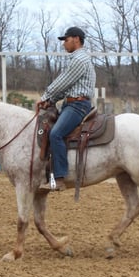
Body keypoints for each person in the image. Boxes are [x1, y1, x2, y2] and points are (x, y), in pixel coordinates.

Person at [37, 26, 96, 191]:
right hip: (71, 103)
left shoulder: (79, 59)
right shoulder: (77, 59)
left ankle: (60, 178)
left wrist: (45, 96)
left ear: (76, 39)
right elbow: (67, 87)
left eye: (66, 40)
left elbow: (63, 81)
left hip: (77, 105)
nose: (64, 44)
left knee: (56, 134)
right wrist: (51, 101)